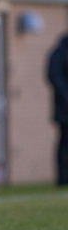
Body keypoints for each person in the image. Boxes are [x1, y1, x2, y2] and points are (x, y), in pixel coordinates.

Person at [47, 34, 68, 186]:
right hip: (64, 107)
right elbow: (55, 77)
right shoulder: (60, 52)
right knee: (65, 141)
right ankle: (63, 177)